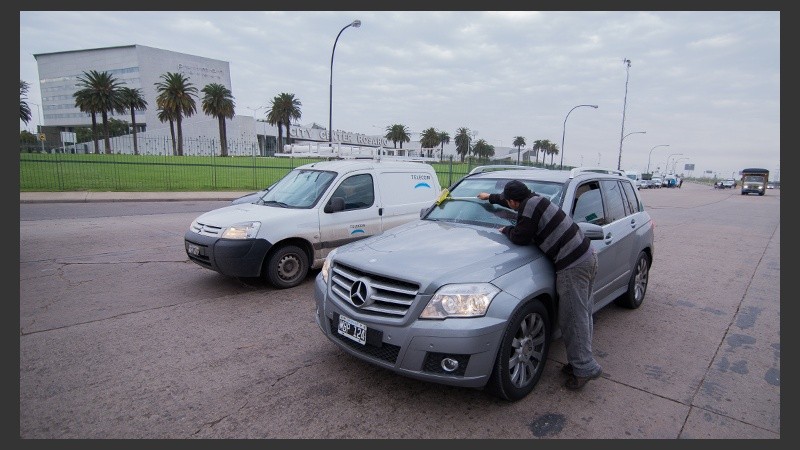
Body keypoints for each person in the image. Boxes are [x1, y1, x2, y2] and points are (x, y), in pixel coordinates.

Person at [478, 180, 602, 390]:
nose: (509, 204)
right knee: (582, 313)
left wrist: (506, 230)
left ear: (513, 201)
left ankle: (584, 368)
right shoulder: (534, 199)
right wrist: (489, 198)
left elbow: (521, 237)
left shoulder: (528, 209)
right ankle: (580, 362)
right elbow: (509, 202)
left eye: (508, 201)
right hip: (586, 255)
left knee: (573, 317)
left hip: (573, 265)